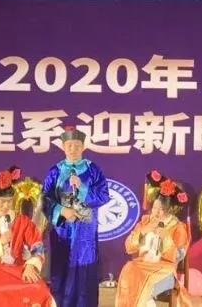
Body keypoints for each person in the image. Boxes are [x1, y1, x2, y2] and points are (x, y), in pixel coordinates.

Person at [0, 166, 55, 307]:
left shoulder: (21, 221)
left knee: (40, 289)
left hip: (17, 268)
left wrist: (31, 265)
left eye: (9, 201)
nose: (6, 205)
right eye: (2, 201)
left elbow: (37, 245)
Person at [41, 125, 110, 307]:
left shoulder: (93, 169)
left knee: (84, 271)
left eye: (77, 146)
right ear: (63, 147)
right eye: (69, 145)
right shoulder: (55, 171)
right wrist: (61, 211)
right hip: (62, 230)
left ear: (83, 147)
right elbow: (45, 199)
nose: (73, 149)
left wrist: (82, 187)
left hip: (85, 229)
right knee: (61, 270)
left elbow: (104, 195)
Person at [115, 171, 192, 307]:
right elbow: (128, 247)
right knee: (129, 269)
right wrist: (144, 231)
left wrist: (165, 237)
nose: (157, 212)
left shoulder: (178, 227)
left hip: (164, 271)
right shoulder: (145, 222)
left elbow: (179, 256)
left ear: (170, 210)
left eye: (162, 209)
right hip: (141, 265)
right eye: (155, 207)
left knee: (140, 286)